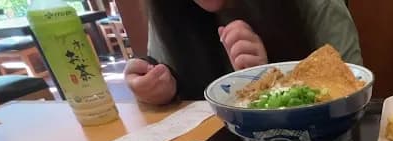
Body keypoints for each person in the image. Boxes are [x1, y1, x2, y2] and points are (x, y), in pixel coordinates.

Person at [124, 0, 363, 105]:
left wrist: (272, 82)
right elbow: (166, 77)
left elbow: (355, 96)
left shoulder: (317, 6)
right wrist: (156, 89)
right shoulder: (168, 11)